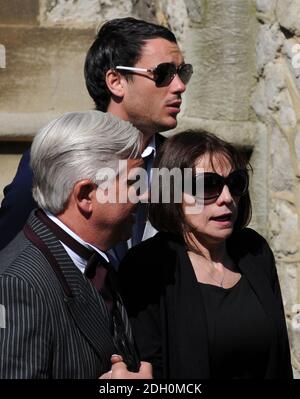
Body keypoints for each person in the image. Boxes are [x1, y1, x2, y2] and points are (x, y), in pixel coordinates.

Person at [0, 17, 193, 254]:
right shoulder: (58, 157)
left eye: (183, 72)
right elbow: (10, 247)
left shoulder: (180, 163)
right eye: (164, 73)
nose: (180, 86)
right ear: (116, 81)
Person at [119, 130, 293, 379]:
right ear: (172, 192)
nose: (226, 199)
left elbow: (279, 361)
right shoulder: (147, 266)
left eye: (235, 183)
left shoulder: (253, 250)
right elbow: (151, 369)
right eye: (208, 185)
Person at [0, 110, 152, 379]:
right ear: (85, 195)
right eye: (133, 182)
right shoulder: (18, 284)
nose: (145, 193)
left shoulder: (92, 259)